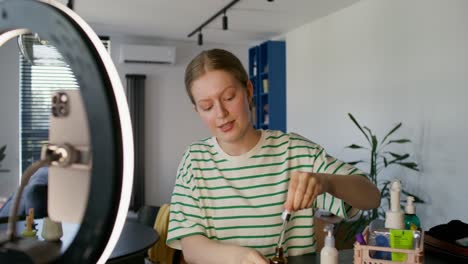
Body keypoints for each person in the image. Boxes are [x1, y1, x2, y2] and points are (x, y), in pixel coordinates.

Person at [166, 49, 380, 264]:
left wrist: (326, 182)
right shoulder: (195, 160)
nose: (221, 113)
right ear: (197, 111)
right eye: (207, 107)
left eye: (229, 97)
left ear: (249, 90)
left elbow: (372, 197)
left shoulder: (296, 152)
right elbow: (191, 247)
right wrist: (240, 257)